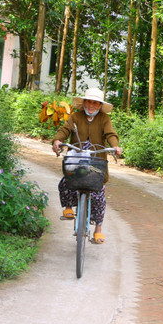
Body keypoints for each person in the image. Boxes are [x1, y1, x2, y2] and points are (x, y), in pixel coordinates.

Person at [52, 88, 122, 244]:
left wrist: (115, 147)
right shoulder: (76, 117)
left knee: (99, 195)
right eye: (89, 102)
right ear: (84, 102)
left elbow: (110, 134)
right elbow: (65, 129)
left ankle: (98, 230)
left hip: (96, 162)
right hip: (76, 159)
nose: (92, 105)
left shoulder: (104, 119)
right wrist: (57, 140)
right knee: (65, 183)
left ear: (100, 105)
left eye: (95, 103)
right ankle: (68, 207)